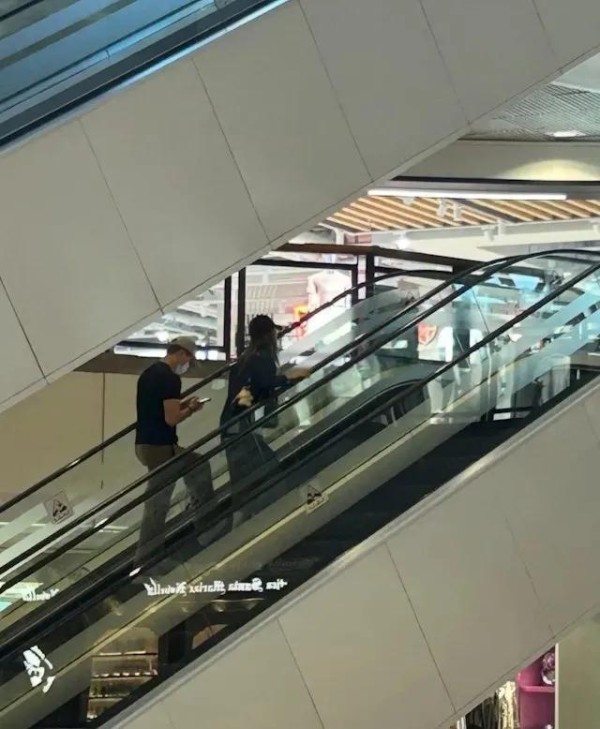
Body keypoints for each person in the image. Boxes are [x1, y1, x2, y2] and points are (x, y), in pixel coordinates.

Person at [133, 336, 214, 569]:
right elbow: (171, 419)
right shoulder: (170, 378)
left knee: (197, 464)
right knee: (157, 505)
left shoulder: (149, 373)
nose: (187, 365)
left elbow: (158, 408)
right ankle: (146, 561)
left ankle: (202, 519)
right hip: (160, 447)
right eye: (188, 359)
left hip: (145, 443)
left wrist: (183, 403)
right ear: (181, 354)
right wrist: (191, 409)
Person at [220, 316, 309, 521]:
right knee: (269, 473)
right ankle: (265, 519)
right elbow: (265, 385)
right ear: (269, 334)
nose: (276, 336)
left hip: (231, 424)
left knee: (242, 479)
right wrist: (289, 379)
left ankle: (243, 521)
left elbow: (252, 389)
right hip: (241, 427)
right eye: (274, 332)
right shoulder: (263, 358)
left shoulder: (246, 357)